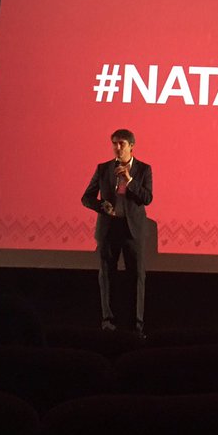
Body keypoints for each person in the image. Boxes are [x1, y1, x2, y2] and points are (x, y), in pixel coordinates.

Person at [81, 128, 153, 333]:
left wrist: (129, 180)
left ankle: (136, 324)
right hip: (109, 228)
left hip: (133, 230)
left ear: (132, 146)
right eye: (114, 143)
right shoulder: (103, 168)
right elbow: (86, 198)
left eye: (122, 143)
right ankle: (108, 321)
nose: (117, 147)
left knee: (136, 276)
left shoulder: (144, 169)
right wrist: (101, 205)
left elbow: (147, 198)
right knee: (106, 275)